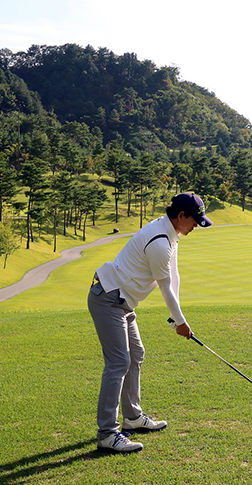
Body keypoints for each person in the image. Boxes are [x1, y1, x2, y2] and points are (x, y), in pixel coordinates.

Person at [88, 192, 212, 453]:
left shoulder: (170, 234)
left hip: (123, 301)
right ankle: (107, 433)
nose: (195, 227)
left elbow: (173, 274)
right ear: (181, 216)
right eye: (194, 221)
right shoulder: (159, 242)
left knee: (136, 354)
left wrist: (179, 315)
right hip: (109, 298)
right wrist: (180, 321)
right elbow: (165, 286)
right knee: (119, 362)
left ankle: (132, 417)